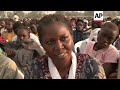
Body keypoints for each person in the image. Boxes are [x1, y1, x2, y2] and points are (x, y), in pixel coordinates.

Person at [26, 14, 106, 79]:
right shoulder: (34, 69)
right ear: (42, 44)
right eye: (50, 42)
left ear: (72, 37)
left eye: (63, 38)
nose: (58, 47)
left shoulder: (91, 65)